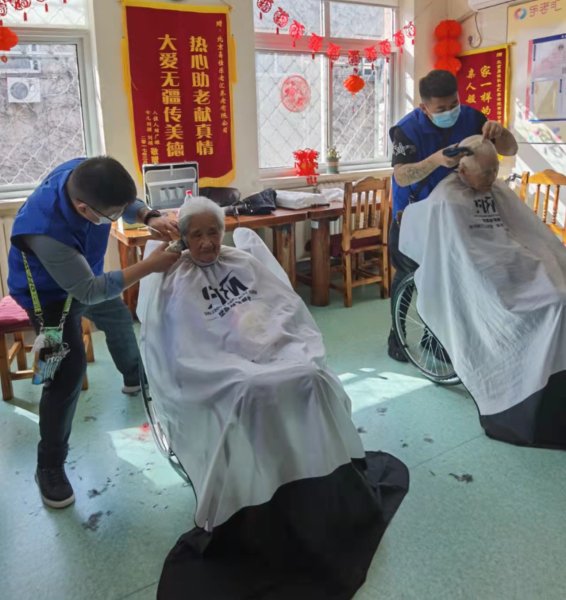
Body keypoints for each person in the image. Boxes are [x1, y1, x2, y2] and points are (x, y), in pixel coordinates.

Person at [138, 197, 409, 600]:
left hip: (267, 347)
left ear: (223, 232)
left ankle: (324, 475)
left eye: (213, 232)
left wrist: (273, 341)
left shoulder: (242, 262)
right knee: (251, 391)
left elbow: (280, 307)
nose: (207, 242)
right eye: (196, 235)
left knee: (309, 376)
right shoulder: (176, 277)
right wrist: (229, 357)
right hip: (218, 365)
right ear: (183, 239)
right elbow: (181, 342)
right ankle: (256, 498)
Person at [7, 156, 180, 509]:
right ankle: (49, 465)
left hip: (86, 275)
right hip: (48, 298)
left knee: (116, 317)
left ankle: (134, 377)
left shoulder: (87, 173)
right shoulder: (46, 230)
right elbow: (87, 291)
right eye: (111, 216)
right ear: (84, 209)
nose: (117, 218)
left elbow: (124, 203)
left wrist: (149, 215)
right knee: (65, 374)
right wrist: (149, 265)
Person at [398, 136, 566, 448]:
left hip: (513, 261)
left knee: (560, 295)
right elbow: (459, 255)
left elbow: (524, 232)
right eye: (485, 173)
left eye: (494, 171)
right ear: (462, 172)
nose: (491, 179)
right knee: (551, 306)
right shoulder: (448, 199)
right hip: (482, 271)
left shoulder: (497, 190)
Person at [387, 69, 518, 361]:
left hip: (455, 213)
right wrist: (435, 160)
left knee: (447, 276)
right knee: (408, 274)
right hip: (413, 215)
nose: (450, 112)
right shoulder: (407, 130)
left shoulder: (472, 118)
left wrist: (501, 133)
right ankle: (396, 335)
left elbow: (511, 149)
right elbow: (402, 176)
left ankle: (434, 337)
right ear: (424, 108)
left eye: (453, 104)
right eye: (441, 109)